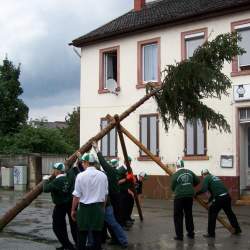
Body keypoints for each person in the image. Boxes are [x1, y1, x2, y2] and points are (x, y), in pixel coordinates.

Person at [92, 141, 128, 248]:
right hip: (115, 197)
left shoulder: (111, 172)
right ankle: (114, 239)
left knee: (113, 221)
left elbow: (102, 163)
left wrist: (97, 149)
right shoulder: (115, 172)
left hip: (113, 198)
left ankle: (117, 239)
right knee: (112, 221)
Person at [71, 153, 108, 250]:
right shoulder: (103, 176)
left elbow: (76, 196)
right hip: (98, 208)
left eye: (82, 162)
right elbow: (105, 195)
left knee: (82, 235)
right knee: (97, 235)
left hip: (84, 209)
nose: (82, 164)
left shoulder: (80, 176)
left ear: (86, 162)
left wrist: (73, 210)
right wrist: (103, 208)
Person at [196, 169, 242, 238]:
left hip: (220, 198)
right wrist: (208, 201)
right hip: (227, 197)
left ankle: (211, 233)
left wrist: (196, 194)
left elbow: (204, 189)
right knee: (229, 213)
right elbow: (213, 192)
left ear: (203, 175)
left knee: (212, 212)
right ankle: (237, 229)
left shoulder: (206, 178)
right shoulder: (214, 177)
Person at [43, 162, 77, 250]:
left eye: (54, 169)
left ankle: (68, 245)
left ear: (57, 171)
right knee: (64, 226)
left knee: (57, 227)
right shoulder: (67, 178)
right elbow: (71, 174)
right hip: (68, 204)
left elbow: (46, 189)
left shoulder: (58, 180)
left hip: (60, 205)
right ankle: (66, 245)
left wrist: (45, 180)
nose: (53, 171)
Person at [171, 159, 200, 241]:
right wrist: (190, 186)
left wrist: (178, 189)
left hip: (179, 197)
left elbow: (172, 187)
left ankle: (179, 236)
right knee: (188, 214)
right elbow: (197, 181)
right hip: (189, 196)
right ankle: (191, 233)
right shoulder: (189, 172)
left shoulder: (175, 174)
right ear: (183, 165)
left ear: (177, 166)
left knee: (178, 216)